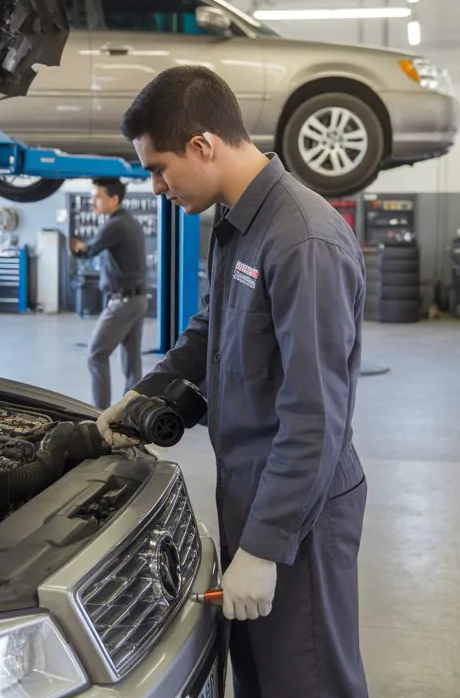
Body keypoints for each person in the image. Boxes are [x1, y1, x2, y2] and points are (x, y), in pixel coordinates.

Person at [95, 65, 369, 698]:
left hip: (302, 504)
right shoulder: (238, 223)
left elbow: (315, 411)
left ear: (203, 145)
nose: (157, 186)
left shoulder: (302, 239)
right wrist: (142, 396)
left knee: (307, 681)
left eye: (160, 168)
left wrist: (267, 546)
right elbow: (209, 329)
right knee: (261, 677)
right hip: (252, 487)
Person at [69, 177, 149, 410]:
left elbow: (89, 251)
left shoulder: (115, 225)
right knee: (132, 362)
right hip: (137, 299)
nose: (92, 201)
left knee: (96, 354)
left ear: (114, 199)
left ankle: (97, 414)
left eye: (97, 196)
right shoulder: (128, 221)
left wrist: (75, 247)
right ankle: (131, 409)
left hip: (123, 302)